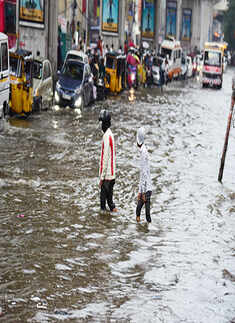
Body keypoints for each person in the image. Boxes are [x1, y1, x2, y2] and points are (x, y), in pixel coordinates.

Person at [99, 110, 117, 213]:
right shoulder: (110, 134)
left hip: (107, 177)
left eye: (101, 122)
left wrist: (102, 178)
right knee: (110, 203)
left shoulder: (106, 136)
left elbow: (105, 159)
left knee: (102, 205)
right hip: (112, 175)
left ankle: (103, 227)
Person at [136, 127, 152, 223]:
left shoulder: (143, 153)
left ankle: (142, 232)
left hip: (145, 189)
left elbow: (143, 173)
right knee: (147, 214)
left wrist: (141, 192)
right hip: (148, 188)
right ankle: (147, 232)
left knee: (139, 211)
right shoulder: (144, 150)